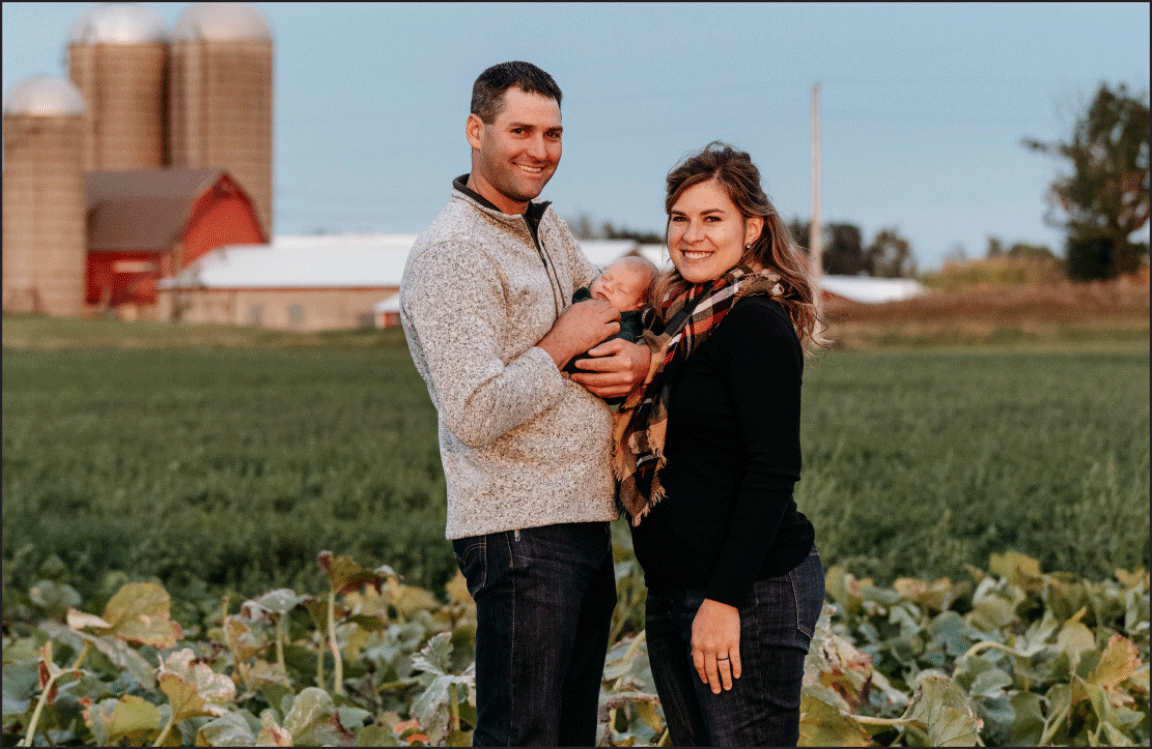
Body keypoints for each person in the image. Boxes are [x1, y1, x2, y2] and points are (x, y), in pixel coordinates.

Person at [399, 61, 651, 746]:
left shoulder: (540, 227)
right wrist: (563, 341)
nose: (540, 151)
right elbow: (475, 411)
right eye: (520, 131)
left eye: (553, 133)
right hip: (518, 529)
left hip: (576, 518)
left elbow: (611, 306)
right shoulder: (455, 253)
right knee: (523, 736)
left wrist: (639, 356)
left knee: (566, 734)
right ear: (476, 131)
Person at [613, 142, 827, 746]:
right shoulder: (672, 322)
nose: (691, 236)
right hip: (676, 588)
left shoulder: (754, 322)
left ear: (752, 228)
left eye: (712, 219)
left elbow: (773, 468)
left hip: (746, 593)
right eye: (680, 218)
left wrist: (723, 601)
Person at [563, 256, 658, 403]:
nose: (608, 286)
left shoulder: (622, 329)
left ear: (637, 306)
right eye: (605, 278)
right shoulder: (580, 295)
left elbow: (608, 363)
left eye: (620, 289)